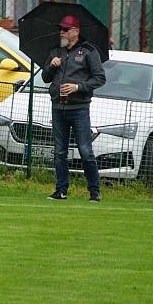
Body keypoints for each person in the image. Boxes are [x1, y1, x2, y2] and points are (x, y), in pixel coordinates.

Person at [41, 15, 106, 202]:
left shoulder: (89, 51)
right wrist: (51, 67)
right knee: (59, 151)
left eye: (65, 29)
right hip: (58, 107)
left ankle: (94, 192)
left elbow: (99, 78)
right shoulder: (56, 52)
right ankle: (61, 190)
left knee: (85, 150)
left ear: (75, 32)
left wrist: (78, 87)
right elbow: (46, 78)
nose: (62, 32)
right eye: (61, 29)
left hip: (79, 109)